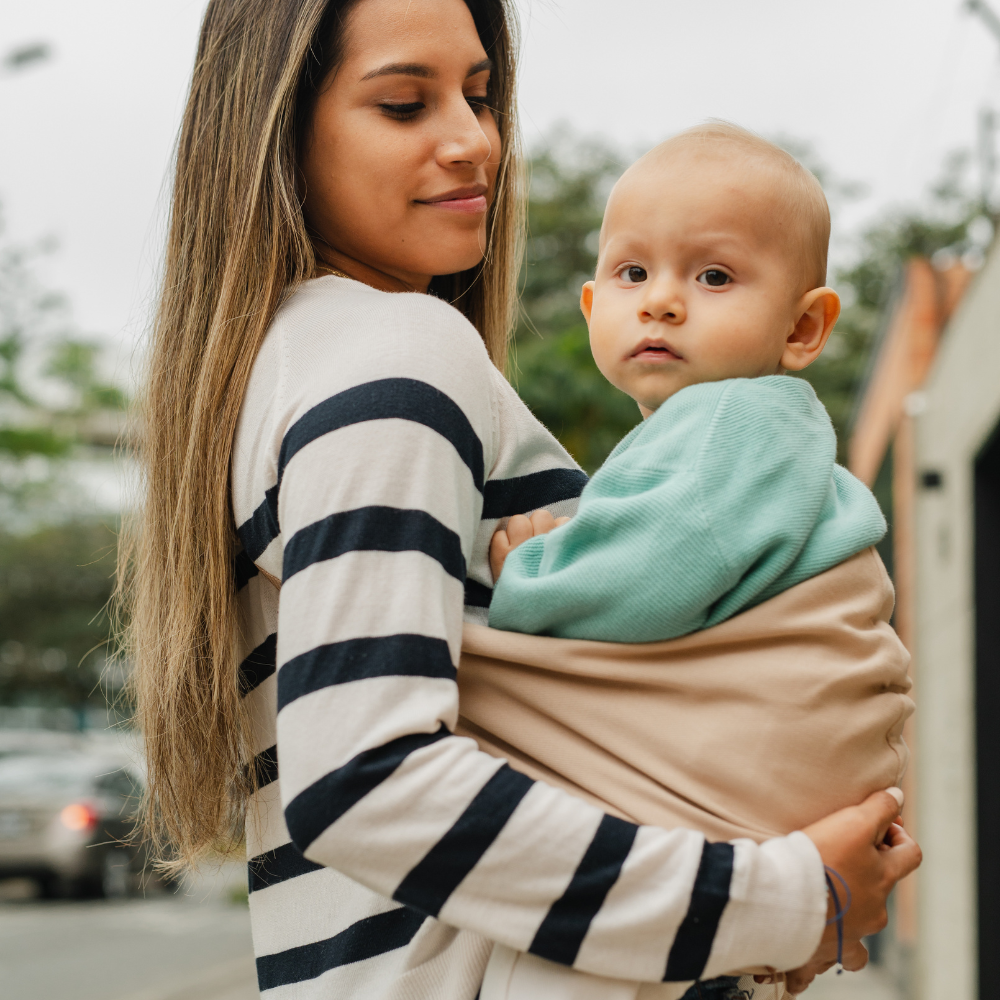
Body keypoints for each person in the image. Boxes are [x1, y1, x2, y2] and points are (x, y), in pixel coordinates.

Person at [119, 3, 922, 1000]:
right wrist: (788, 900)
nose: (473, 142)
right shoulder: (395, 351)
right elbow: (366, 780)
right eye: (406, 103)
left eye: (481, 94)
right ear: (278, 129)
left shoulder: (272, 372)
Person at [480, 124, 913, 999]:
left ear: (802, 326)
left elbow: (646, 581)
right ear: (593, 305)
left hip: (736, 795)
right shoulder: (725, 435)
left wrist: (527, 575)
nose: (664, 301)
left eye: (713, 276)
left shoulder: (735, 423)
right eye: (634, 274)